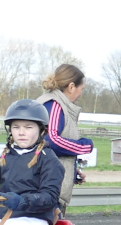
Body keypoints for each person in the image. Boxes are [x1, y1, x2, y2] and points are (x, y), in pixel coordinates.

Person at [39, 63, 94, 213]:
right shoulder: (54, 105)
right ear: (71, 86)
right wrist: (84, 146)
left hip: (46, 188)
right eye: (81, 89)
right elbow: (51, 141)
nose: (81, 94)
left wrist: (72, 173)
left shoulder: (51, 103)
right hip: (47, 192)